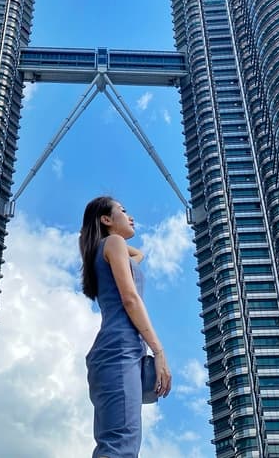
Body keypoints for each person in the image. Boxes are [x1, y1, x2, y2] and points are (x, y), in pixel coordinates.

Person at [80, 195, 172, 457]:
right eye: (122, 210)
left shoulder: (108, 249)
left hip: (118, 351)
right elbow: (130, 299)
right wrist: (159, 351)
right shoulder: (113, 243)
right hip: (119, 350)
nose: (130, 217)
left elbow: (139, 255)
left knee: (120, 443)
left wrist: (93, 237)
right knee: (120, 445)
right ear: (106, 219)